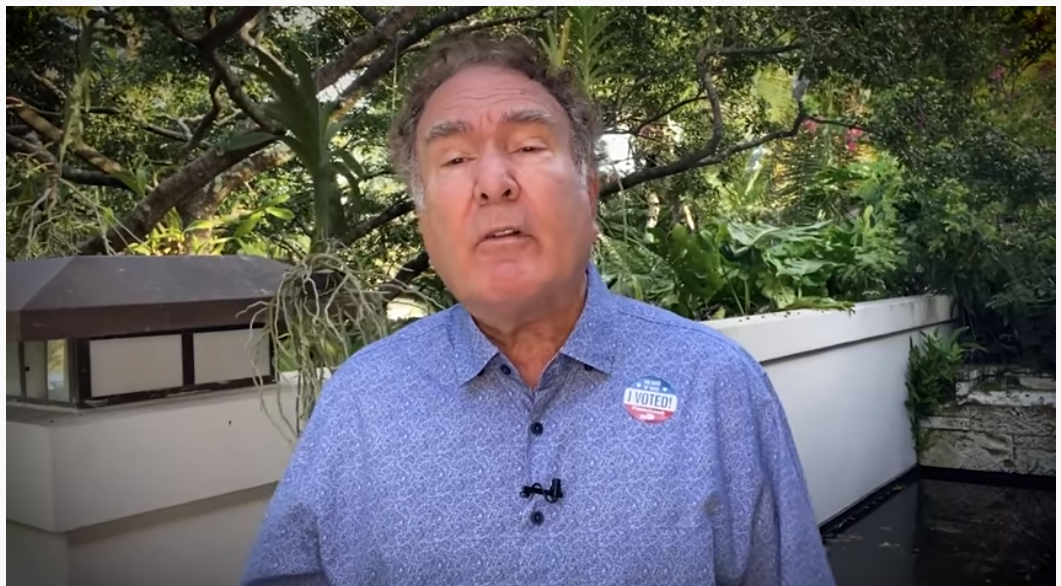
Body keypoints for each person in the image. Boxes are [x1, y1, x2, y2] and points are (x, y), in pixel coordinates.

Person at [242, 33, 836, 586]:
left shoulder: (715, 384)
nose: (493, 182)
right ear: (424, 222)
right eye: (455, 159)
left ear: (589, 192)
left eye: (528, 146)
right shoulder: (362, 401)